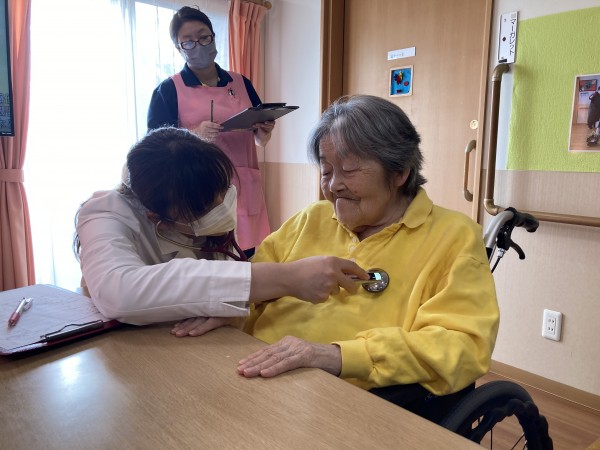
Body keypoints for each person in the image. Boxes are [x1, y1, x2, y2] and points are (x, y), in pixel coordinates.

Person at [237, 95, 500, 424]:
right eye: (326, 170)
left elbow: (463, 345)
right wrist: (224, 312)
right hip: (252, 374)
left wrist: (339, 355)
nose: (334, 185)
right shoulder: (312, 219)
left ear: (399, 171)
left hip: (344, 410)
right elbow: (250, 287)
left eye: (349, 170)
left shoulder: (453, 236)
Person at [74, 127, 368, 333]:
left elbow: (225, 286)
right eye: (205, 207)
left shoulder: (204, 202)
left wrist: (234, 311)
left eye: (223, 191)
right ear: (156, 217)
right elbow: (119, 293)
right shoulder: (104, 214)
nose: (222, 207)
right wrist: (287, 277)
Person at [147, 6, 273, 258]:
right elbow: (154, 148)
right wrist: (193, 134)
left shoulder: (241, 83)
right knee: (210, 258)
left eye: (203, 37)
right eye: (188, 41)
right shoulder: (168, 90)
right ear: (179, 48)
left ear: (213, 36)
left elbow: (260, 139)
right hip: (199, 188)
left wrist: (264, 130)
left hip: (244, 185)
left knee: (247, 255)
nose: (198, 45)